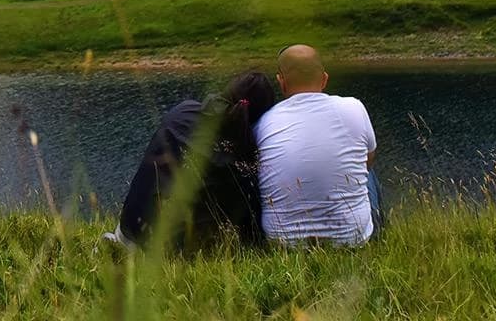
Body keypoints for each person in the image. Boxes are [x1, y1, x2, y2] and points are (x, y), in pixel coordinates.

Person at [110, 71, 277, 249]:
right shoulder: (243, 154)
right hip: (175, 249)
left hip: (130, 227)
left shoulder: (183, 110)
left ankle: (122, 245)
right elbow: (250, 220)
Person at [256, 45, 383, 246]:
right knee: (368, 172)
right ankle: (380, 237)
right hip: (352, 239)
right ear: (324, 79)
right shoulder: (354, 107)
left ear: (281, 82)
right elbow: (368, 161)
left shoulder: (265, 122)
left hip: (285, 245)